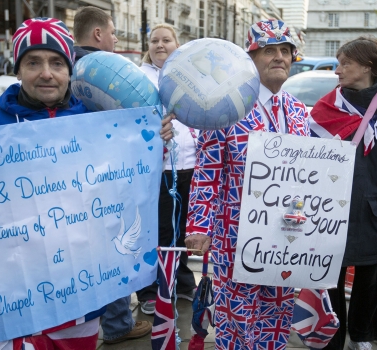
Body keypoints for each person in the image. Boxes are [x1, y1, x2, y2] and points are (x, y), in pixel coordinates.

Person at [0, 17, 173, 349]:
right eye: (33, 62)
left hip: (81, 298)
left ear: (70, 69)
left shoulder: (96, 123)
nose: (46, 73)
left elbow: (128, 183)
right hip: (16, 300)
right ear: (19, 70)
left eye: (56, 63)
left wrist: (155, 144)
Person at [185, 19, 310, 349]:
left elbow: (311, 175)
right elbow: (207, 171)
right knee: (236, 313)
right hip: (234, 233)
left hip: (286, 233)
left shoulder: (298, 111)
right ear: (250, 58)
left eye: (286, 50)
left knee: (277, 313)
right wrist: (200, 225)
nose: (280, 57)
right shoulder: (225, 107)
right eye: (269, 50)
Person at [72, 6, 152, 345]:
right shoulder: (103, 70)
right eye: (114, 32)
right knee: (114, 247)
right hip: (105, 178)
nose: (117, 38)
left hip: (74, 180)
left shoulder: (65, 65)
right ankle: (119, 325)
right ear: (98, 34)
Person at [310, 37, 377, 350]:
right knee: (329, 278)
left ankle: (362, 335)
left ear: (367, 66)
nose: (337, 70)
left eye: (345, 63)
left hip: (375, 207)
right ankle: (333, 339)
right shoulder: (328, 107)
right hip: (332, 209)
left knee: (370, 275)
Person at [136, 23, 197, 315]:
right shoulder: (139, 78)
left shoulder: (191, 75)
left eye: (166, 40)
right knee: (157, 230)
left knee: (184, 228)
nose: (160, 45)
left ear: (178, 44)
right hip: (156, 169)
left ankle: (183, 284)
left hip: (190, 165)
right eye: (154, 41)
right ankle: (151, 290)